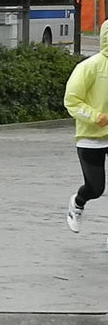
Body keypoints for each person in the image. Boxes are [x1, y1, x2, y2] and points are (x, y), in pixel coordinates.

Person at [64, 19, 108, 234]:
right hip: (91, 137)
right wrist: (95, 116)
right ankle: (78, 203)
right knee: (96, 188)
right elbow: (71, 100)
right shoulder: (90, 67)